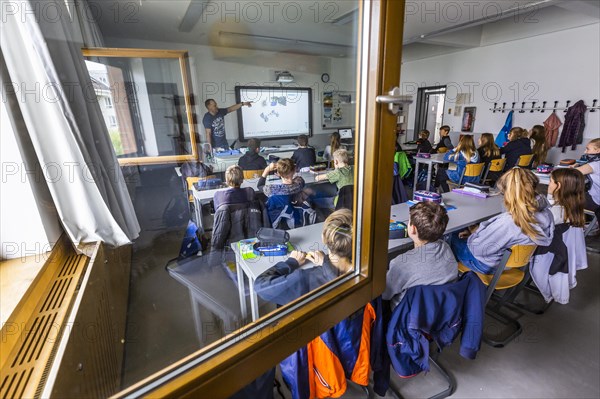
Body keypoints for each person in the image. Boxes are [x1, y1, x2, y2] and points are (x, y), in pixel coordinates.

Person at [449, 168, 554, 275]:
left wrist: (474, 235)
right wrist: (475, 233)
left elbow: (478, 249)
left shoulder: (510, 221)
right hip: (508, 263)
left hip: (484, 263)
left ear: (509, 193)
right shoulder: (546, 213)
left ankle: (449, 280)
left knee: (449, 236)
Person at [254, 209, 353, 305]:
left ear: (323, 238)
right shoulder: (362, 268)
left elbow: (260, 285)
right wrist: (325, 262)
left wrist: (291, 262)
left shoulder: (305, 278)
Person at [382, 202, 457, 310]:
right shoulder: (446, 249)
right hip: (443, 311)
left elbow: (385, 293)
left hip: (406, 317)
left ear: (412, 229)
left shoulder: (401, 264)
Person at [257, 158, 306, 228]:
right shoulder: (299, 184)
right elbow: (299, 179)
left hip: (274, 221)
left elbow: (259, 186)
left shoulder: (271, 189)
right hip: (293, 218)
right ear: (294, 170)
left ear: (278, 174)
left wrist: (267, 170)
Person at [574, 138, 600, 223]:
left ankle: (574, 226)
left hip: (596, 201)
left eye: (588, 149)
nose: (585, 152)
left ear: (598, 150)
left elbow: (570, 173)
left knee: (565, 198)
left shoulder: (594, 165)